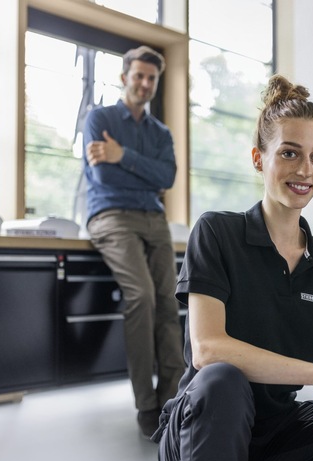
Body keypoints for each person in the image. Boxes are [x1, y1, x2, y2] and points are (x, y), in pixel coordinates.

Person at [152, 75, 313, 461]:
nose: (305, 170)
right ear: (258, 158)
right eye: (289, 153)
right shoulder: (217, 232)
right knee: (222, 380)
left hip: (278, 435)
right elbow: (208, 350)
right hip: (200, 432)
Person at [82, 45, 185, 438]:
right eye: (138, 75)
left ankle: (170, 402)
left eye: (151, 78)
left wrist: (121, 154)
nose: (144, 83)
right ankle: (145, 403)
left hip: (154, 220)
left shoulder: (160, 133)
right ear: (124, 76)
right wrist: (145, 173)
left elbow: (168, 178)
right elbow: (105, 180)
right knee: (141, 296)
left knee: (169, 302)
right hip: (110, 215)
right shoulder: (100, 119)